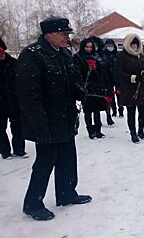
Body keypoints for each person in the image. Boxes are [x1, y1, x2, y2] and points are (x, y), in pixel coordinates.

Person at [16, 16, 92, 221]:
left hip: (65, 118)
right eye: (63, 33)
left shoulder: (65, 54)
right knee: (45, 161)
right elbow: (29, 96)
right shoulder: (32, 56)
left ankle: (67, 193)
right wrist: (39, 125)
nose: (67, 37)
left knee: (68, 157)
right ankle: (33, 203)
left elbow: (72, 79)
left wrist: (80, 92)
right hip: (46, 121)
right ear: (48, 34)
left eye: (68, 34)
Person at [115, 34, 144, 143]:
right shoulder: (122, 56)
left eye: (136, 45)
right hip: (129, 87)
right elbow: (119, 72)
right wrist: (133, 78)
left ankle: (141, 129)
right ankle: (133, 132)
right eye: (132, 44)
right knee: (131, 111)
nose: (134, 47)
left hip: (142, 87)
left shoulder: (140, 56)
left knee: (143, 110)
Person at [75, 38, 110, 139]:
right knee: (88, 110)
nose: (89, 49)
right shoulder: (79, 57)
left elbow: (102, 69)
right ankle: (90, 130)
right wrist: (87, 68)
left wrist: (97, 66)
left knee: (97, 109)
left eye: (90, 47)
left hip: (97, 85)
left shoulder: (96, 56)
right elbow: (77, 72)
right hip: (86, 86)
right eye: (87, 47)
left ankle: (98, 130)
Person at [0, 37, 27, 160]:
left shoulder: (14, 63)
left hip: (14, 100)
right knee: (1, 128)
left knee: (18, 126)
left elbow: (21, 81)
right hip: (0, 102)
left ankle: (19, 149)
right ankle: (5, 151)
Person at [102, 38, 124, 121]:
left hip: (118, 77)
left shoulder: (118, 54)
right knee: (110, 96)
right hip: (108, 78)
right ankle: (113, 110)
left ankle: (121, 110)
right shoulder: (103, 54)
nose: (110, 47)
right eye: (108, 46)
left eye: (111, 46)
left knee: (119, 94)